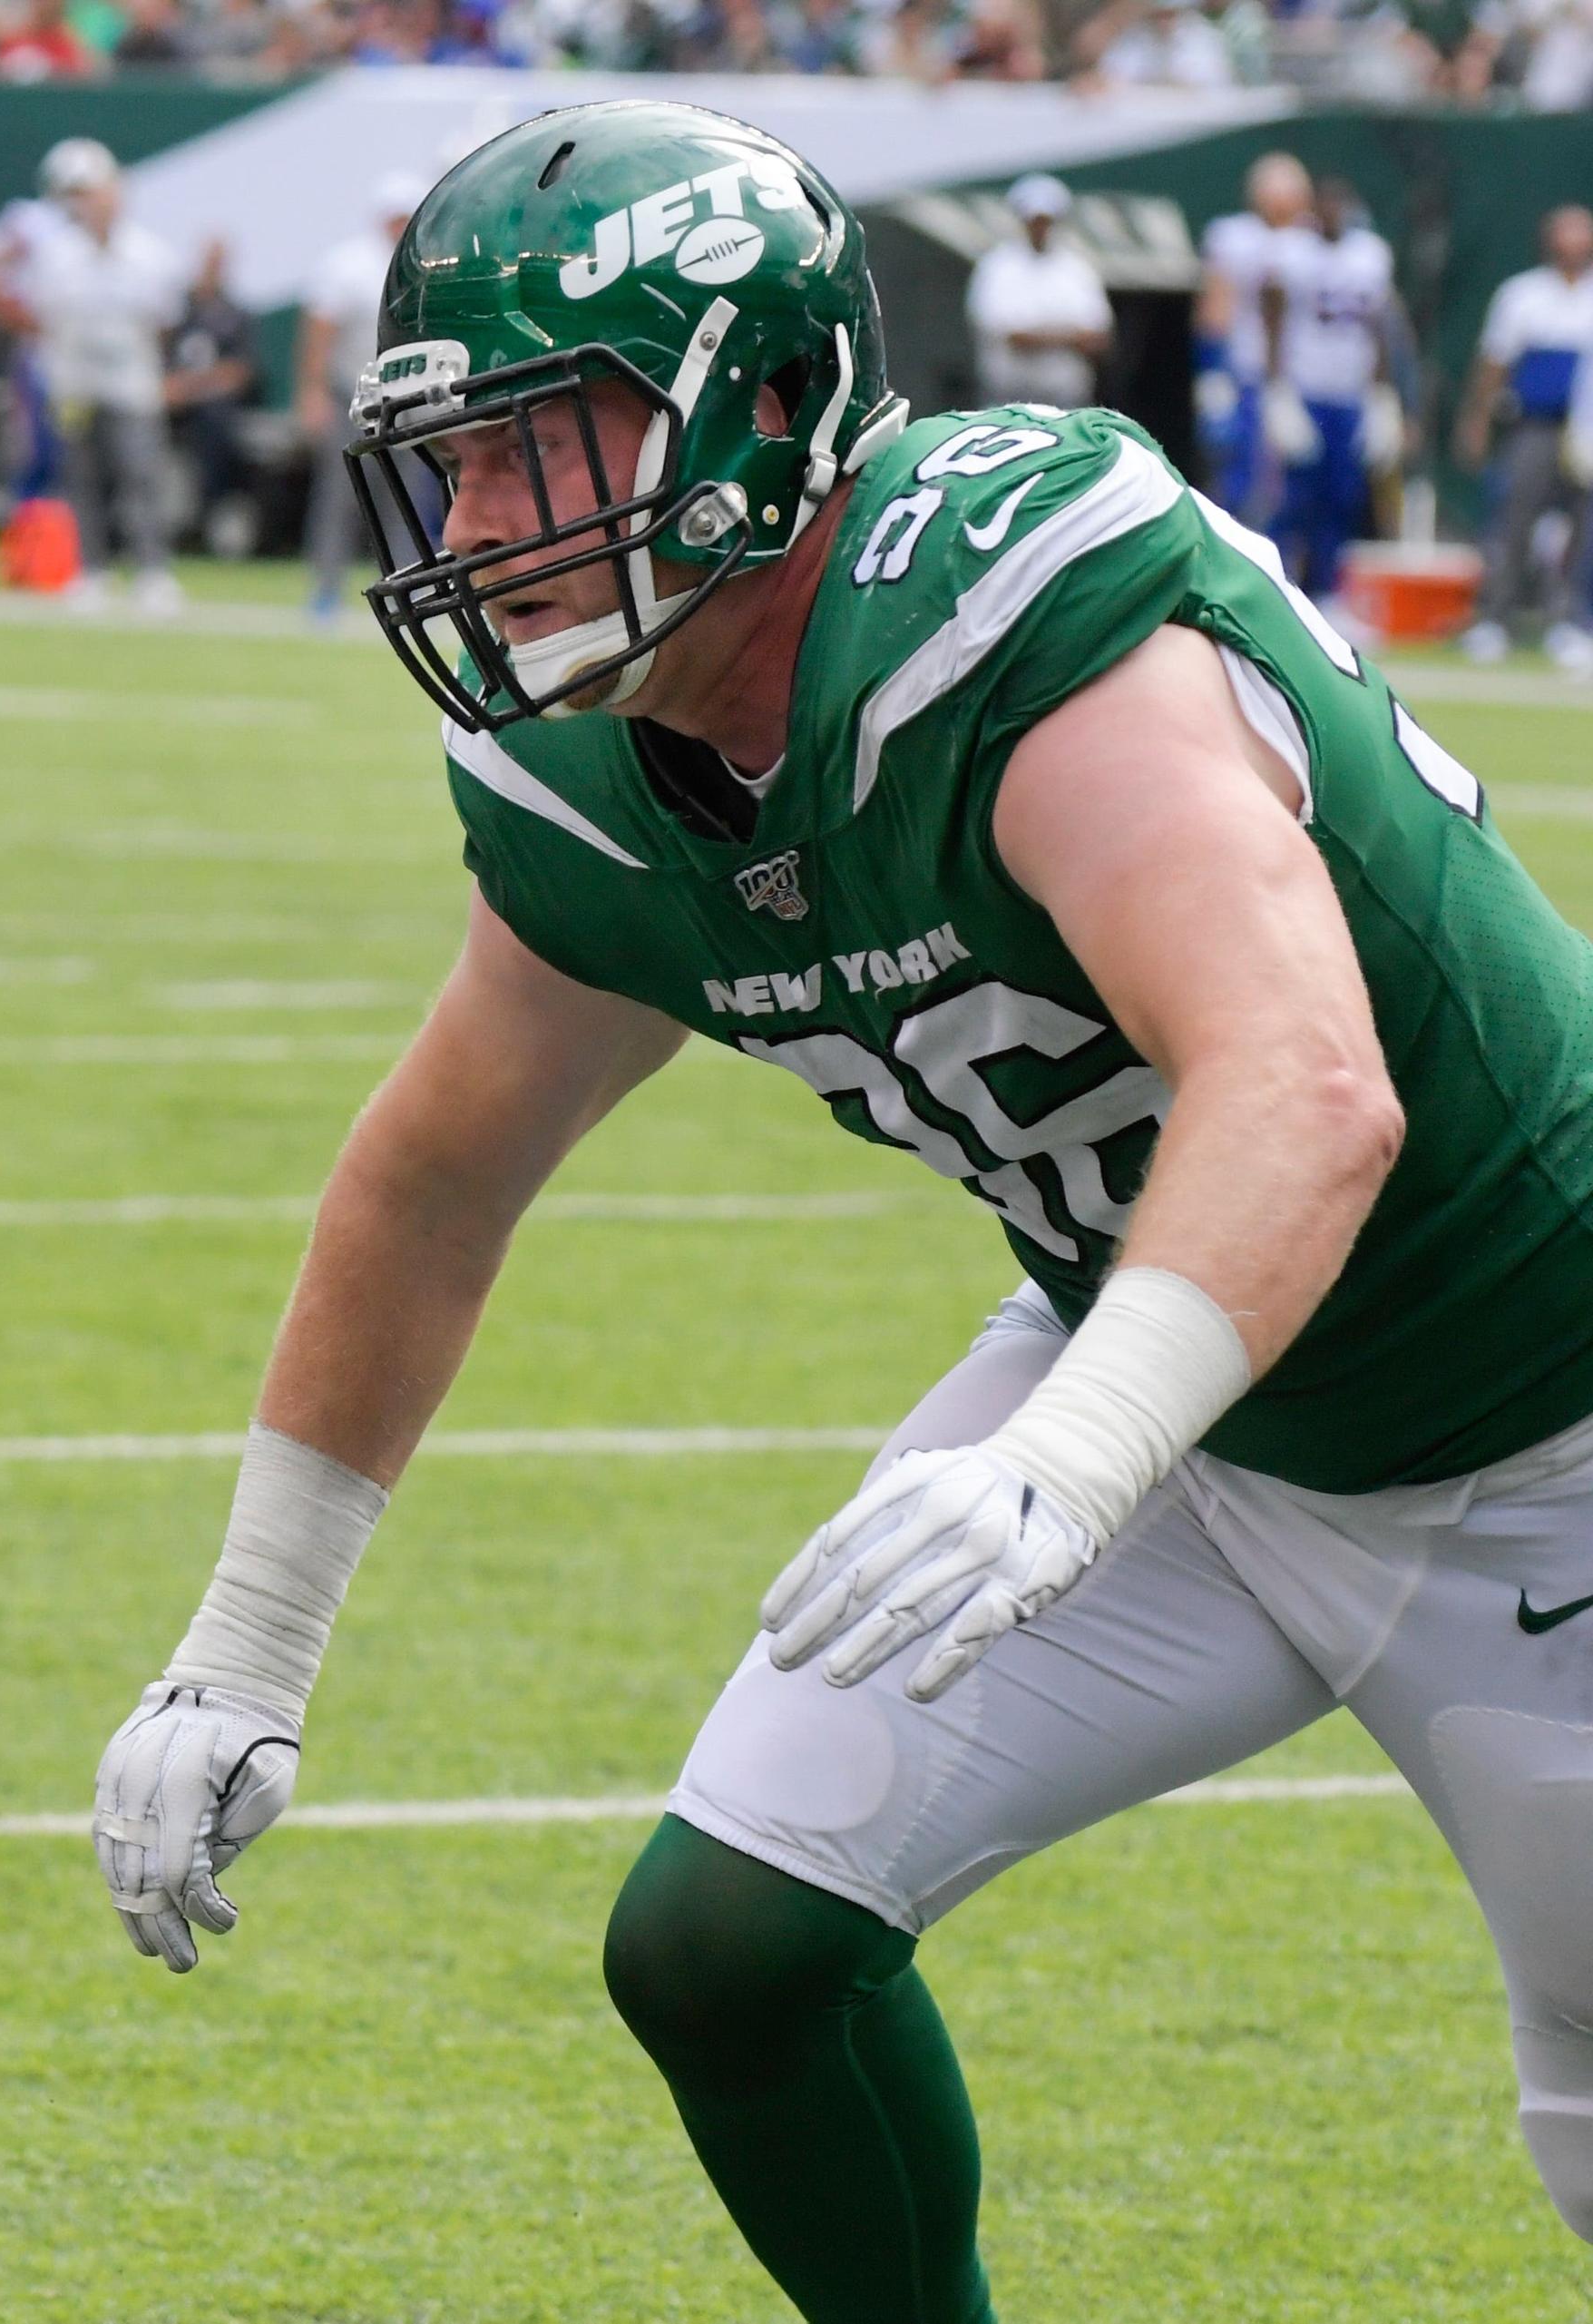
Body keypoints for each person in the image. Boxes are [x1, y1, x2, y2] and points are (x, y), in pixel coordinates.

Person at [95, 99, 1593, 2321]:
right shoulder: (587, 763)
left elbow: (1305, 1087)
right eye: (457, 460)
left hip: (1532, 1413)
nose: (481, 524)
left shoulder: (1002, 609)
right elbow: (432, 1171)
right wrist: (244, 1640)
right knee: (726, 1938)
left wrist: (1059, 1463)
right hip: (1189, 1387)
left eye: (549, 446)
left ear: (769, 411)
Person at [0, 138, 189, 615]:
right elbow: (35, 312)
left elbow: (163, 324)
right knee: (82, 479)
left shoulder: (149, 255)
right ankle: (91, 571)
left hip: (132, 382)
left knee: (140, 475)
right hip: (72, 383)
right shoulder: (55, 254)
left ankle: (152, 572)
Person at [1457, 203, 1593, 669]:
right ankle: (1496, 619)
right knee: (1514, 521)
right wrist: (1476, 420)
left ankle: (1572, 623)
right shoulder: (1523, 294)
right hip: (1534, 427)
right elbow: (1495, 361)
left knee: (1583, 529)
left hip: (1587, 431)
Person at [298, 172, 427, 623]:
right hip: (355, 397)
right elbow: (319, 331)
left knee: (408, 500)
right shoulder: (348, 264)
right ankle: (325, 589)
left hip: (412, 400)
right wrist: (312, 390)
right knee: (342, 495)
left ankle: (408, 592)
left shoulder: (425, 264)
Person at [1273, 173, 1399, 605]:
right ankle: (1282, 586)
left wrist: (1382, 394)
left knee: (1342, 497)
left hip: (1350, 392)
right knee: (1294, 498)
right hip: (1305, 388)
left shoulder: (1371, 254)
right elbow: (1272, 320)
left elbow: (1380, 326)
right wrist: (1277, 390)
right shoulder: (1292, 252)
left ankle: (1328, 592)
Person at [1195, 151, 1314, 521]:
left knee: (1304, 488)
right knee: (1240, 480)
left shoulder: (1315, 240)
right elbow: (1215, 308)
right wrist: (1212, 370)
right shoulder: (1234, 236)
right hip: (1248, 373)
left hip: (1309, 379)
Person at [964, 172, 1110, 409]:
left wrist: (1041, 337)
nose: (1041, 228)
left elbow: (1098, 337)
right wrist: (1070, 338)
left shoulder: (1077, 269)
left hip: (1067, 401)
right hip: (1009, 402)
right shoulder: (997, 268)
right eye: (1035, 221)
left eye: (1047, 220)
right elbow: (1011, 337)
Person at [163, 239, 261, 560]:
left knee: (218, 428)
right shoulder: (177, 310)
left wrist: (191, 387)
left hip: (212, 411)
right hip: (169, 408)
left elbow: (241, 370)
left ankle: (211, 511)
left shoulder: (235, 313)